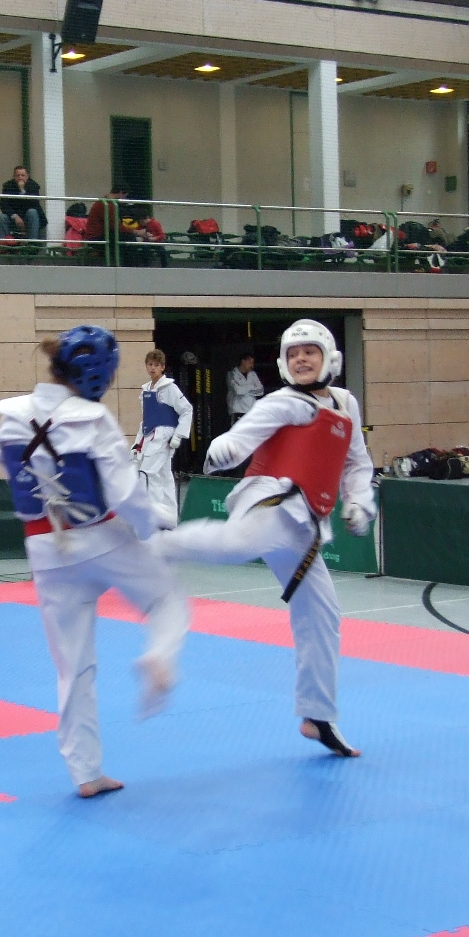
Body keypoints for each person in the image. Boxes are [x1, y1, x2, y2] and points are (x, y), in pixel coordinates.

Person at [157, 319, 376, 756]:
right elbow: (246, 433)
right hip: (273, 502)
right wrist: (225, 450)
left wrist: (359, 503)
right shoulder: (284, 402)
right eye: (293, 354)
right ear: (282, 363)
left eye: (309, 352)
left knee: (322, 614)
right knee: (237, 545)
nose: (301, 359)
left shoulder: (346, 404)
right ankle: (155, 544)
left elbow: (357, 463)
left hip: (306, 526)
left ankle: (317, 714)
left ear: (329, 357)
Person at [0, 325, 188, 796]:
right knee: (166, 601)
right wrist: (153, 525)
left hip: (45, 549)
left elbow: (18, 476)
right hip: (102, 537)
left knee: (73, 666)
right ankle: (157, 656)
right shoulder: (92, 418)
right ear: (99, 374)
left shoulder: (10, 418)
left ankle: (86, 773)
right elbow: (125, 494)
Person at [132, 349, 193, 521]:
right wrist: (138, 442)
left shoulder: (170, 388)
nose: (153, 368)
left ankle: (153, 516)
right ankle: (169, 517)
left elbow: (187, 410)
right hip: (149, 436)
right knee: (163, 477)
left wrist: (178, 435)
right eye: (150, 364)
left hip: (163, 437)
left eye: (156, 365)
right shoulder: (146, 389)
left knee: (147, 474)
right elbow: (146, 420)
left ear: (163, 367)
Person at [0, 165, 44, 240]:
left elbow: (34, 204)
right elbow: (3, 205)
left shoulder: (34, 186)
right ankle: (4, 243)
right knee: (2, 217)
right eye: (17, 175)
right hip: (13, 217)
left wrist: (23, 191)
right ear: (14, 176)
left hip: (29, 217)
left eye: (23, 175)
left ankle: (32, 242)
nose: (20, 178)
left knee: (32, 212)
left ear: (27, 176)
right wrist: (15, 216)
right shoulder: (8, 186)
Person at [226, 352, 263, 422]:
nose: (252, 365)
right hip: (238, 411)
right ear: (243, 361)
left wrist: (244, 390)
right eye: (250, 363)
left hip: (251, 411)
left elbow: (261, 390)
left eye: (252, 363)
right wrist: (252, 386)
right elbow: (238, 391)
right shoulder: (232, 374)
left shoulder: (253, 374)